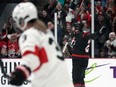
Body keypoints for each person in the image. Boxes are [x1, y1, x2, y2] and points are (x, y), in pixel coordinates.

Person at [9, 2, 74, 87]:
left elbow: (31, 59)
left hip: (47, 81)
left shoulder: (29, 34)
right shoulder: (46, 32)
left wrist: (19, 74)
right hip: (64, 81)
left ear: (21, 20)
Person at [67, 22, 105, 87]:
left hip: (78, 58)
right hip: (85, 58)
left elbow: (73, 43)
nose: (71, 28)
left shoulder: (79, 35)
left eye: (73, 27)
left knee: (76, 77)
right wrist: (98, 32)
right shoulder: (84, 35)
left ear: (77, 28)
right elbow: (92, 36)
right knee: (81, 77)